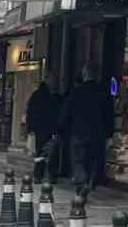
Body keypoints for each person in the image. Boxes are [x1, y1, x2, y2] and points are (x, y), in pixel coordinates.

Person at [58, 67, 112, 197]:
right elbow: (109, 115)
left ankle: (82, 181)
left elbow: (66, 113)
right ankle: (90, 182)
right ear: (96, 76)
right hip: (97, 134)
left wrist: (61, 130)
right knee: (92, 159)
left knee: (78, 160)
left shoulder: (76, 92)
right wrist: (109, 134)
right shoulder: (103, 93)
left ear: (84, 75)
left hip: (79, 132)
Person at [26, 74, 63, 185]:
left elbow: (30, 112)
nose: (55, 82)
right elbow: (31, 112)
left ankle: (43, 175)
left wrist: (31, 127)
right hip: (44, 129)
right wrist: (30, 128)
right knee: (45, 152)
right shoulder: (41, 95)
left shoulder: (41, 95)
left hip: (46, 129)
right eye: (52, 80)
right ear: (47, 80)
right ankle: (43, 175)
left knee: (47, 152)